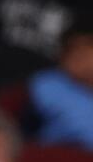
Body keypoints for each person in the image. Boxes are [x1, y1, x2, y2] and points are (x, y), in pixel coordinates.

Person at [23, 11, 93, 150]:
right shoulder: (46, 84)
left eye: (87, 48)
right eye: (72, 49)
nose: (79, 56)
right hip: (58, 161)